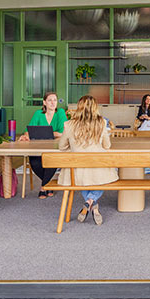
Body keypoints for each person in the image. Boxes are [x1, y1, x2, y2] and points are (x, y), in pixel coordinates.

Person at [57, 95, 116, 225]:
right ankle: (91, 202)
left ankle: (89, 202)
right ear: (95, 108)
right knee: (99, 177)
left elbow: (61, 147)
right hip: (98, 168)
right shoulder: (102, 123)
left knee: (83, 177)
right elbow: (107, 146)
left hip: (76, 170)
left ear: (79, 107)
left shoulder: (68, 124)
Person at [18, 91, 67, 199]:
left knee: (52, 161)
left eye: (55, 100)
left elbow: (63, 132)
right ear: (44, 102)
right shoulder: (38, 114)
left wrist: (46, 133)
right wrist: (26, 136)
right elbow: (28, 130)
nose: (53, 103)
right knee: (34, 162)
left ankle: (43, 187)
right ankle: (48, 183)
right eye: (50, 100)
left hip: (55, 147)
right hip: (38, 147)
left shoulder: (61, 113)